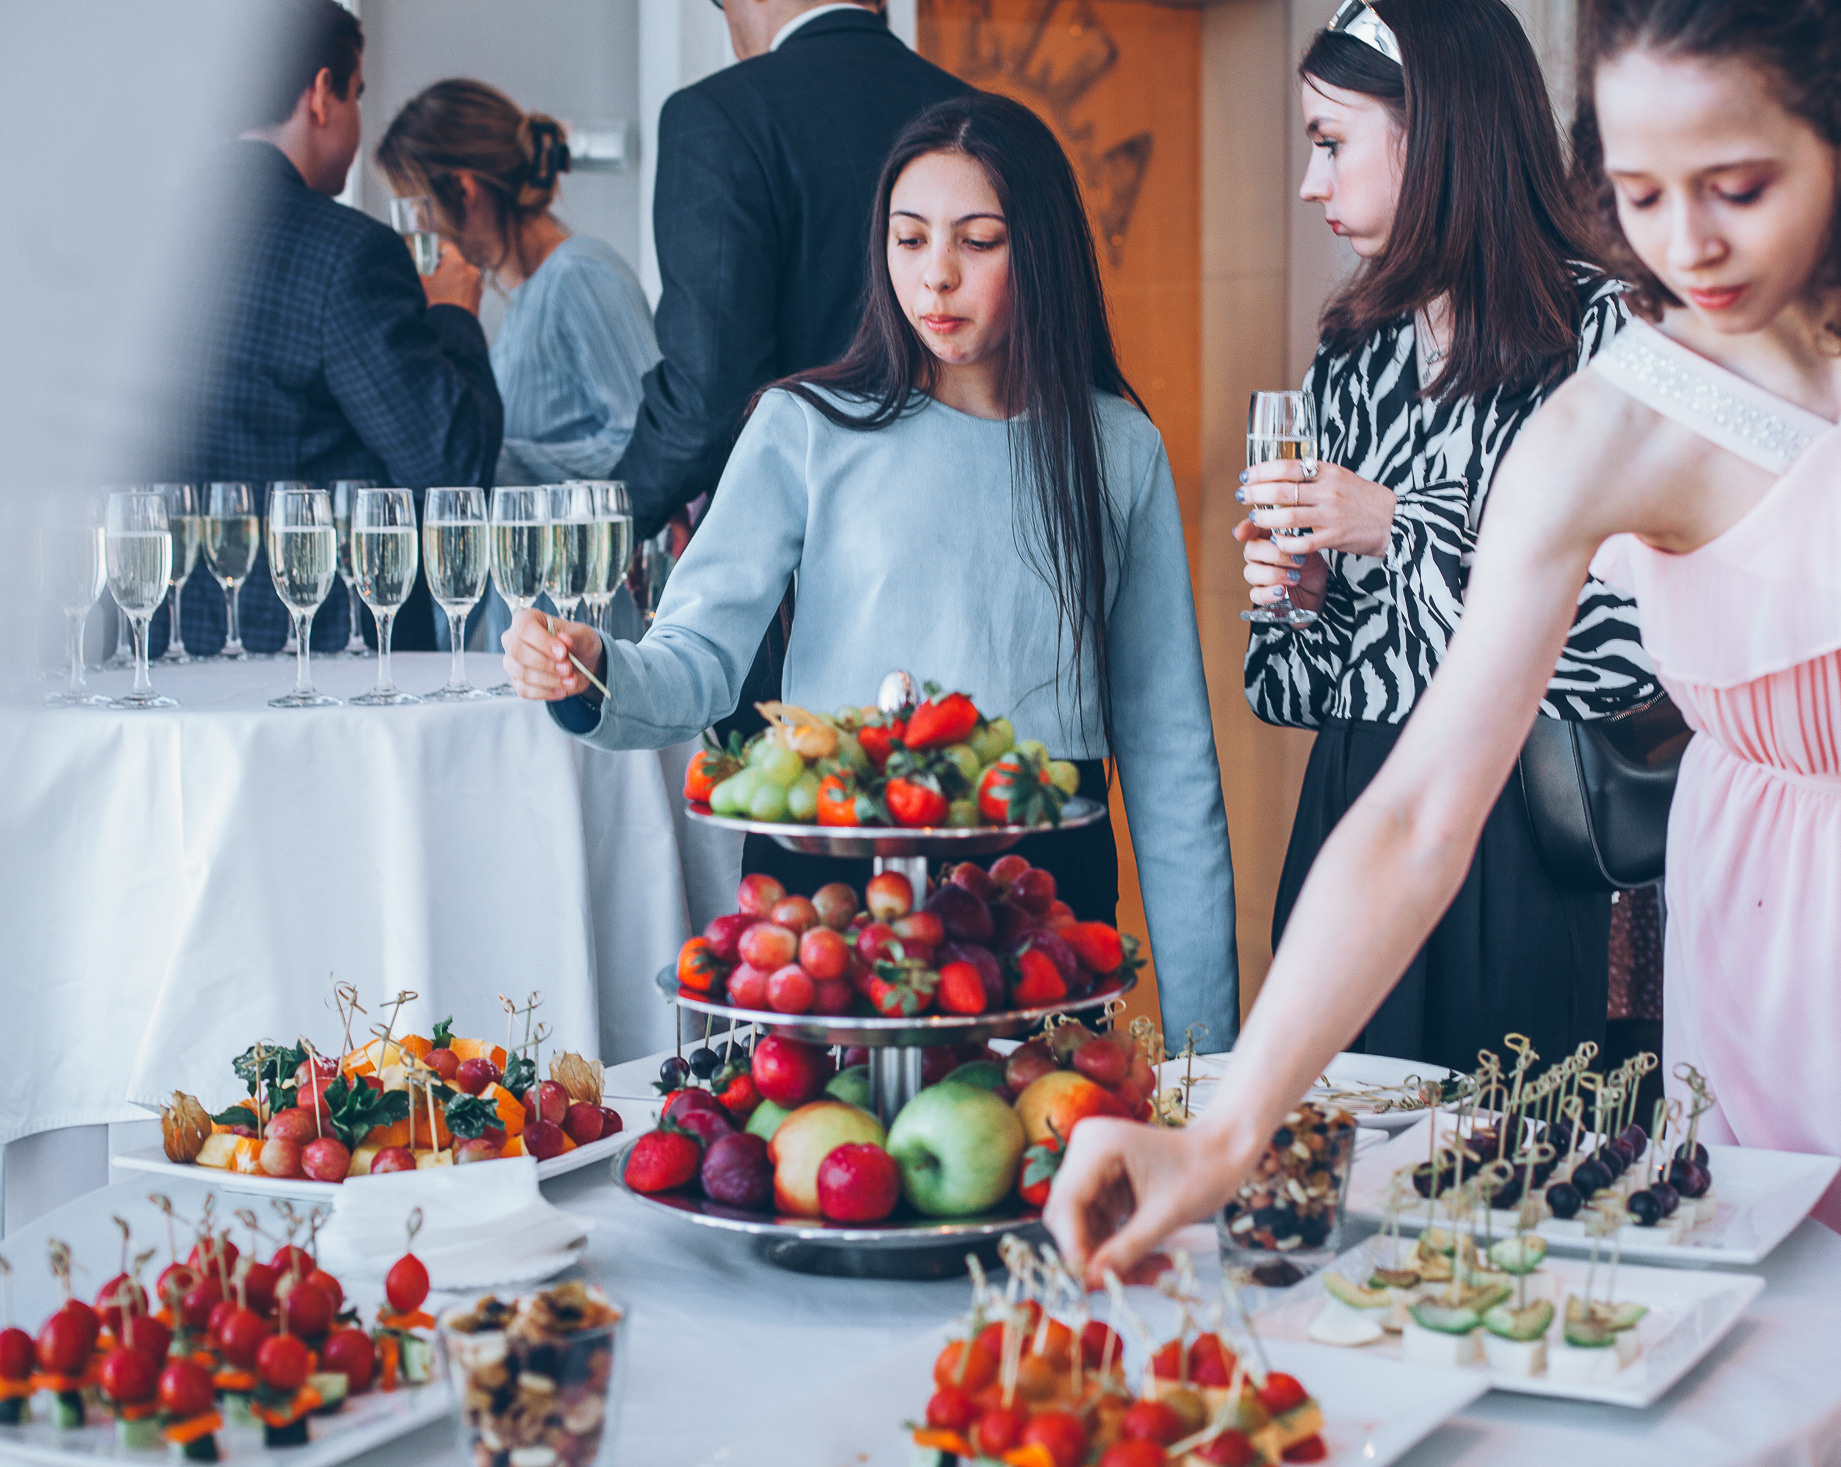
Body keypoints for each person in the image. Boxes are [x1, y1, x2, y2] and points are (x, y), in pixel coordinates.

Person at [1048, 0, 1841, 1461]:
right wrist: (1224, 1127)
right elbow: (1413, 811)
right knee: (1798, 1385)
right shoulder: (1611, 426)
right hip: (1789, 963)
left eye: (1736, 186)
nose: (1685, 247)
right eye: (1640, 197)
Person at [504, 94, 1241, 1046]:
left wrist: (1208, 1060)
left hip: (1039, 903)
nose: (935, 275)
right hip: (831, 892)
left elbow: (1172, 762)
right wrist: (593, 664)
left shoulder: (1117, 449)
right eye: (909, 238)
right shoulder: (805, 426)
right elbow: (697, 658)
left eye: (979, 241)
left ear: (1043, 251)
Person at [1239, 0, 1655, 1074]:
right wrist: (1299, 594)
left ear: (1434, 133)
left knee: (1515, 1178)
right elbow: (1300, 690)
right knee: (1344, 1167)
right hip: (1356, 805)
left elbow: (1631, 644)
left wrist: (1399, 525)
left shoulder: (1604, 335)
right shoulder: (1351, 353)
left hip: (1525, 825)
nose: (1309, 183)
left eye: (1330, 143)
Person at [613, 0, 969, 740]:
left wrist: (603, 521)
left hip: (803, 607)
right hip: (978, 589)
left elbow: (708, 394)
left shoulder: (719, 116)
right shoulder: (981, 120)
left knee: (809, 834)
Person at [165, 0, 500, 658]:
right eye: (356, 96)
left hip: (158, 643)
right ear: (321, 95)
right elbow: (451, 468)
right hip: (321, 658)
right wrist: (455, 312)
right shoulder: (346, 253)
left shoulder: (143, 246)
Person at [375, 79, 659, 650]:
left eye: (418, 211)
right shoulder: (525, 298)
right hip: (539, 626)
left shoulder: (581, 275)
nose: (416, 236)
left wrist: (489, 465)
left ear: (463, 189)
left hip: (586, 631)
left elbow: (649, 440)